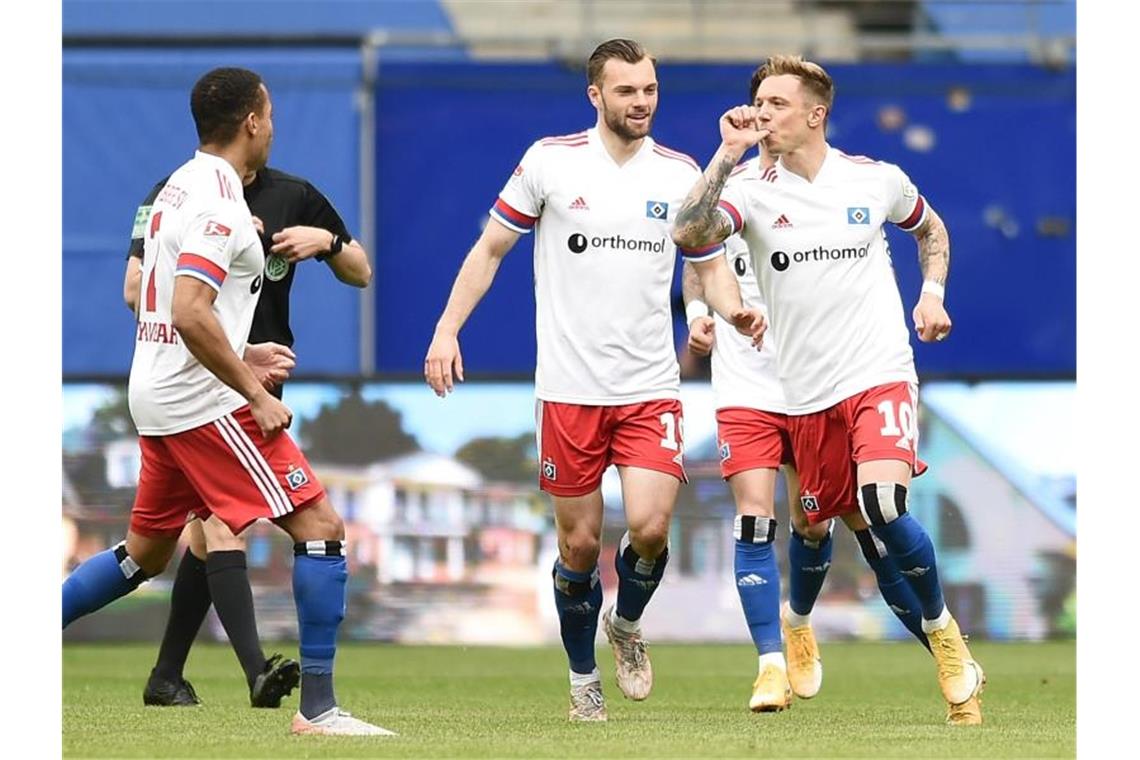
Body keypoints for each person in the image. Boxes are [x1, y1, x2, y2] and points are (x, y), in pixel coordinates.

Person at [424, 38, 763, 722]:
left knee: (650, 528)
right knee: (578, 546)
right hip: (570, 390)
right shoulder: (549, 162)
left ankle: (627, 625)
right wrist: (446, 329)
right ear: (596, 96)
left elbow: (705, 260)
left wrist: (726, 312)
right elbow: (490, 248)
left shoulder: (679, 173)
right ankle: (583, 680)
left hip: (649, 387)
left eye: (649, 90)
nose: (641, 102)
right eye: (627, 91)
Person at [62, 66, 392, 736]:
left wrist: (245, 355)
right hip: (201, 401)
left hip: (156, 392)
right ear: (251, 122)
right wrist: (253, 391)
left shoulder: (177, 186)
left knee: (144, 556)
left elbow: (159, 303)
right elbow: (189, 311)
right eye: (269, 115)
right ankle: (320, 711)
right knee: (322, 530)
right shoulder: (219, 205)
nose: (273, 127)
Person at [672, 54, 984, 726]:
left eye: (778, 104)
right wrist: (727, 154)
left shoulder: (875, 181)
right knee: (811, 523)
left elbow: (931, 229)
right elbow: (689, 234)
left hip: (878, 372)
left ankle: (944, 633)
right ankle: (796, 624)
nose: (764, 116)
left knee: (881, 504)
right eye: (758, 104)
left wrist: (932, 294)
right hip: (804, 394)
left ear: (817, 113)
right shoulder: (749, 191)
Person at [122, 147, 371, 709]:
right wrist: (216, 259)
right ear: (252, 123)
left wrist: (326, 244)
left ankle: (166, 674)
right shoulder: (178, 193)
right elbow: (136, 290)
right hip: (209, 391)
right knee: (232, 528)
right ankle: (261, 673)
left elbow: (361, 271)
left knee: (176, 548)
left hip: (257, 382)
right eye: (267, 115)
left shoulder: (295, 194)